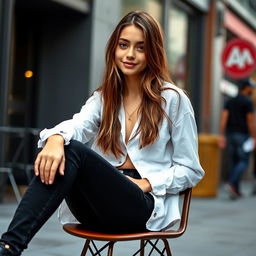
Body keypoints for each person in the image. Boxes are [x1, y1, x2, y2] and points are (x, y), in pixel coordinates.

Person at [0, 11, 204, 256]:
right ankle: (8, 247)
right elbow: (78, 124)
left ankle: (9, 247)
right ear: (114, 49)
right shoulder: (104, 97)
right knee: (64, 146)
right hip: (97, 205)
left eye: (141, 47)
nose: (129, 55)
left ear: (154, 53)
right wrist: (54, 139)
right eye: (123, 45)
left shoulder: (173, 100)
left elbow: (191, 170)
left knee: (72, 150)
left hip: (143, 206)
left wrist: (146, 183)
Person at [219, 78, 256, 199]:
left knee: (235, 161)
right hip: (243, 136)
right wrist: (254, 137)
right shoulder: (248, 102)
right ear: (246, 88)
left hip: (231, 135)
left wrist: (222, 135)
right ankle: (231, 183)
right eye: (251, 87)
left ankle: (236, 190)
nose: (252, 90)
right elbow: (250, 121)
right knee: (243, 161)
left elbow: (224, 118)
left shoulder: (230, 101)